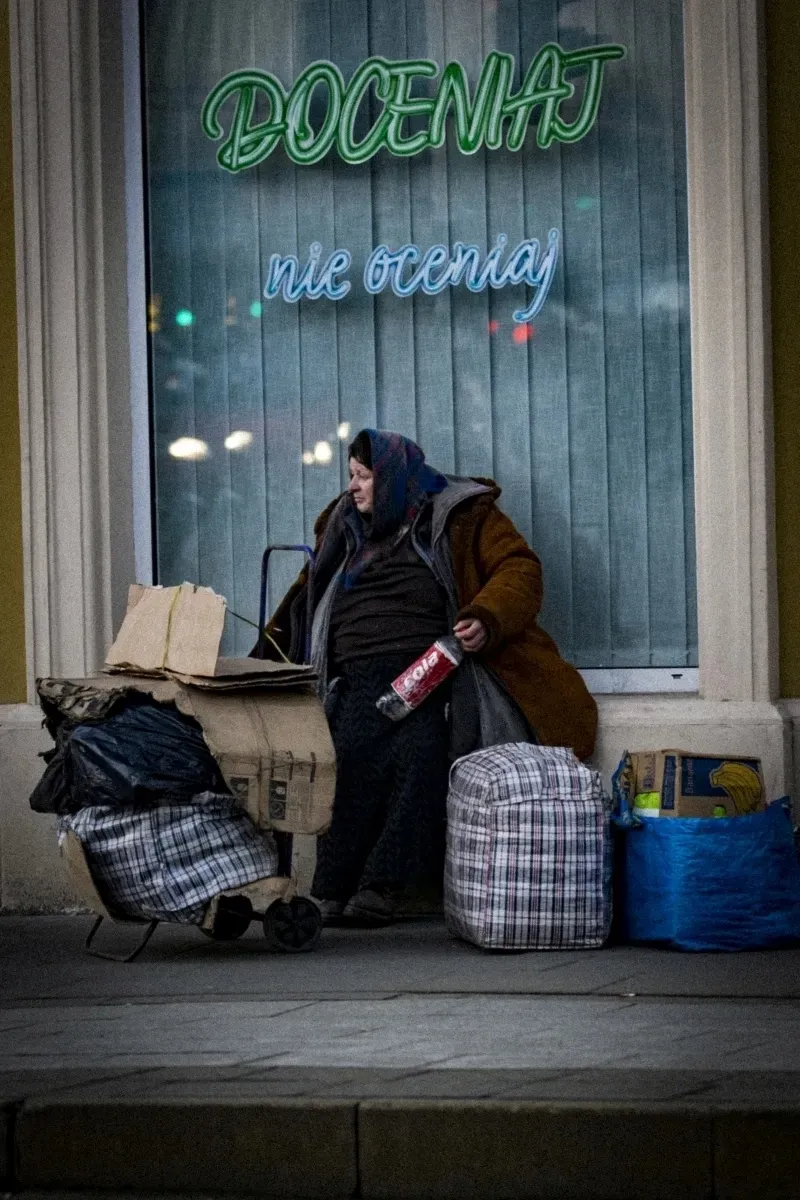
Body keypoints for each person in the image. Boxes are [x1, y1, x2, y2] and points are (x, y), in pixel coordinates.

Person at [264, 429, 597, 926]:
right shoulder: (343, 524)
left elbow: (519, 570)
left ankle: (375, 886)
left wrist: (485, 617)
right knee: (351, 754)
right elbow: (303, 593)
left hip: (435, 667)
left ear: (394, 476)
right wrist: (264, 660)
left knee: (419, 753)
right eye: (350, 476)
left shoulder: (461, 514)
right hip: (356, 672)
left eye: (364, 476)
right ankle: (341, 885)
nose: (353, 487)